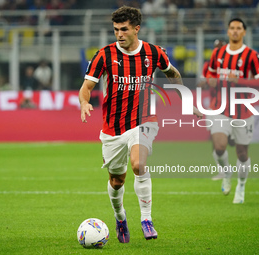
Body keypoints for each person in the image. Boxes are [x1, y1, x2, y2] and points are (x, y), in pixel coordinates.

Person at [79, 6, 202, 243]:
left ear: (136, 28)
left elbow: (172, 73)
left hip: (144, 120)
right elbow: (86, 87)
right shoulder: (104, 55)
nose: (119, 34)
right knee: (117, 180)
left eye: (124, 29)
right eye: (116, 30)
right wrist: (84, 103)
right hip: (113, 128)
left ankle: (146, 219)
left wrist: (187, 100)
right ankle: (120, 217)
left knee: (138, 164)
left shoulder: (153, 52)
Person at [207, 18, 259, 204]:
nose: (235, 31)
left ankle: (241, 186)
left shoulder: (251, 55)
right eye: (232, 28)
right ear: (228, 31)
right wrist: (210, 80)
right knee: (219, 147)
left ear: (244, 32)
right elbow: (210, 72)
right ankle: (227, 173)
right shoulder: (217, 53)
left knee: (242, 154)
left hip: (243, 111)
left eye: (238, 28)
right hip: (220, 108)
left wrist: (239, 81)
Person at [198, 39, 235, 181]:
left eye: (220, 48)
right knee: (216, 143)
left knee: (231, 142)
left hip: (233, 108)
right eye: (215, 48)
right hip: (215, 108)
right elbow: (201, 83)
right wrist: (206, 82)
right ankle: (223, 171)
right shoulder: (208, 66)